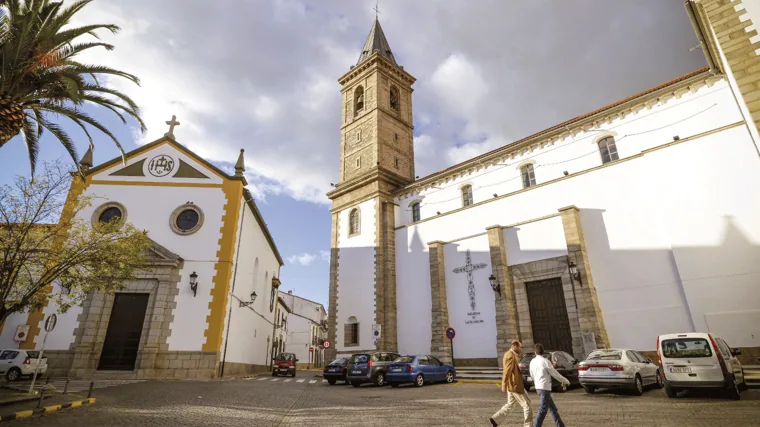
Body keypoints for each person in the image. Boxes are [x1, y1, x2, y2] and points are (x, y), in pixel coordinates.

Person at [489, 340, 533, 427]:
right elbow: (507, 371)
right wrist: (503, 385)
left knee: (510, 405)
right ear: (514, 346)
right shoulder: (510, 356)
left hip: (512, 385)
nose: (521, 349)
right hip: (515, 385)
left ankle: (495, 419)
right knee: (527, 405)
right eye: (520, 347)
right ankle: (528, 425)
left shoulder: (509, 354)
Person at [528, 343, 570, 427]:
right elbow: (555, 374)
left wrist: (536, 380)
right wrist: (565, 381)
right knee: (543, 409)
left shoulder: (532, 361)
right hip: (545, 388)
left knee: (553, 409)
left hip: (538, 387)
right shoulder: (545, 361)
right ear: (543, 352)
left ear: (535, 352)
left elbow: (531, 374)